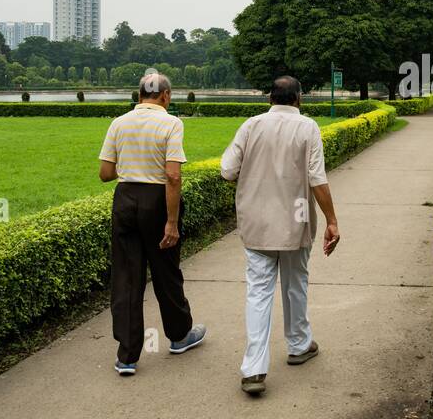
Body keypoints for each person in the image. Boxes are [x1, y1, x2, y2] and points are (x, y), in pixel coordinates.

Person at [220, 75, 340, 396]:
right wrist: (331, 220)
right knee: (295, 283)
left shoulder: (251, 126)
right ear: (299, 99)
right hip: (296, 217)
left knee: (258, 293)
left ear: (270, 98)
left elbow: (228, 170)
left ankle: (254, 369)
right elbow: (316, 178)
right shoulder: (308, 128)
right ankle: (299, 344)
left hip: (256, 221)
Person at [99, 71, 206, 376]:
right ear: (166, 96)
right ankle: (179, 335)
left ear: (139, 95)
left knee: (127, 276)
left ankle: (128, 355)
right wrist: (171, 222)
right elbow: (172, 175)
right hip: (157, 200)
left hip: (126, 198)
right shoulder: (171, 123)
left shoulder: (119, 123)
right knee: (165, 271)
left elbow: (106, 173)